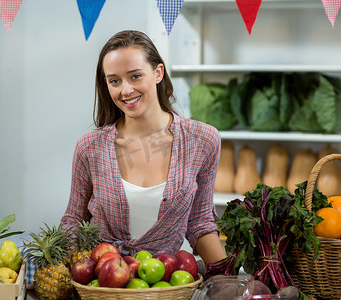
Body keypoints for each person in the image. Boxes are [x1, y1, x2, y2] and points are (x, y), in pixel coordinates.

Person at [61, 30, 226, 263]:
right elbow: (73, 222)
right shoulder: (90, 148)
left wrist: (228, 279)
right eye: (114, 81)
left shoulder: (202, 140)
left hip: (165, 284)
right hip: (102, 284)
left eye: (135, 76)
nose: (126, 90)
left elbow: (200, 223)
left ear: (158, 73)